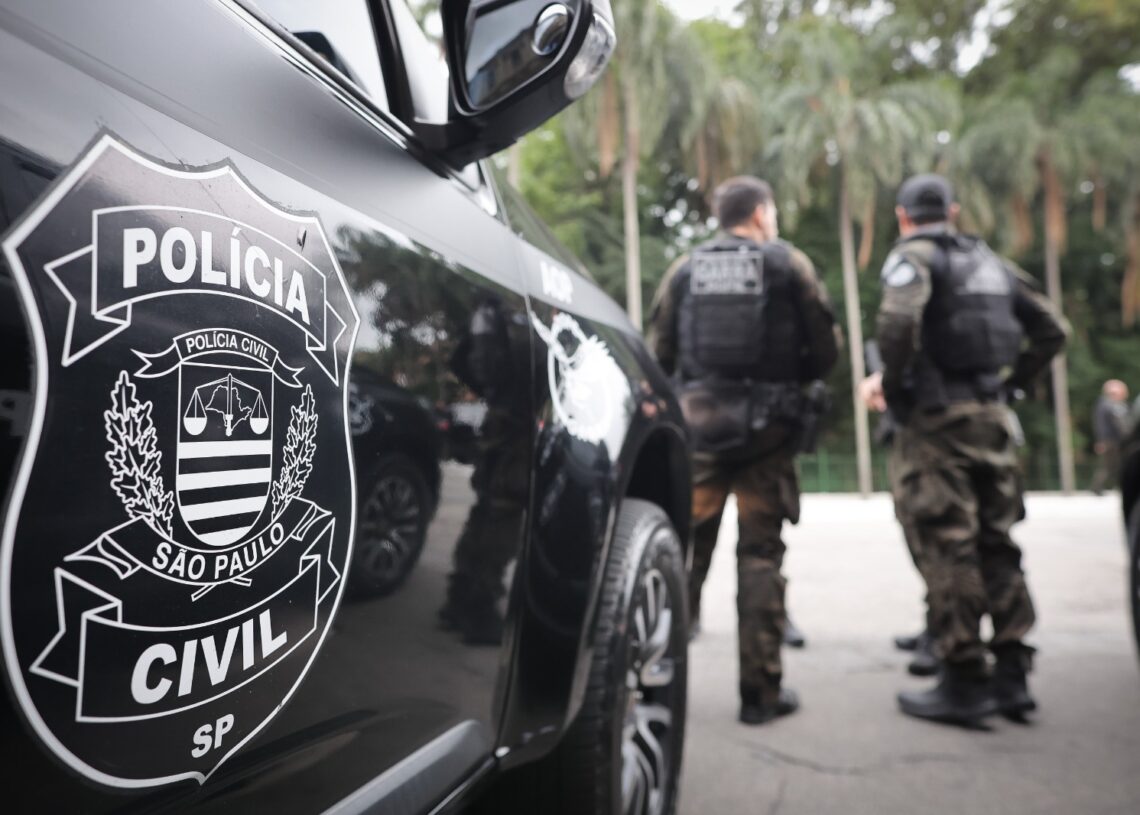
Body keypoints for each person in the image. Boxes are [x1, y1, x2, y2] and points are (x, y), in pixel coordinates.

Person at [861, 173, 1067, 726]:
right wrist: (1011, 385)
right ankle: (1013, 678)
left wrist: (892, 382)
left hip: (937, 423)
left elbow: (900, 318)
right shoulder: (991, 263)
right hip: (991, 419)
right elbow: (1052, 329)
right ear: (952, 210)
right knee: (998, 543)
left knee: (950, 545)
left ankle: (963, 680)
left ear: (904, 217)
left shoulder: (915, 257)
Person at [647, 176, 840, 724]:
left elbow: (660, 351)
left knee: (684, 558)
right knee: (760, 558)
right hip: (768, 438)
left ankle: (657, 686)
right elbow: (825, 350)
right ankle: (761, 696)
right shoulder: (787, 264)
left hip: (700, 436)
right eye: (772, 213)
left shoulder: (684, 269)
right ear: (759, 214)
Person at [1091, 379, 1130, 494]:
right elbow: (1104, 426)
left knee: (1112, 466)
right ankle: (1097, 487)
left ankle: (1100, 487)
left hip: (1111, 440)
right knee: (1109, 466)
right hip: (1110, 440)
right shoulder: (1108, 405)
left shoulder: (1108, 404)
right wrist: (1101, 441)